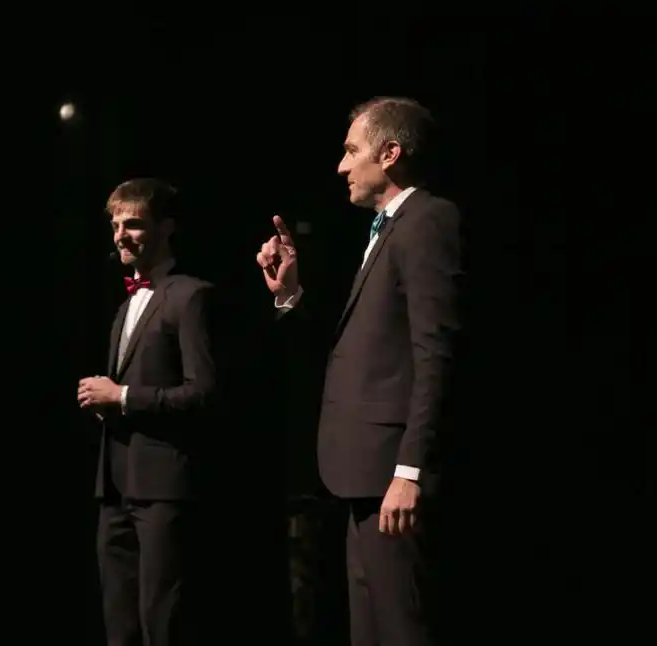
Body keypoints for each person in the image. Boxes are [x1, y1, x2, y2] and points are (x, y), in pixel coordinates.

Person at [256, 97, 464, 646]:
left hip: (392, 474)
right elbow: (356, 348)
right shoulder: (386, 229)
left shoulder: (428, 220)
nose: (341, 166)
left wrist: (411, 470)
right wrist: (291, 294)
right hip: (365, 475)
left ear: (390, 153)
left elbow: (436, 354)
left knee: (403, 628)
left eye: (352, 151)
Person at [78, 178, 217, 646]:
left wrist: (121, 397)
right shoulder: (124, 307)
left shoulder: (190, 296)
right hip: (115, 487)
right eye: (115, 225)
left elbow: (203, 394)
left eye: (134, 224)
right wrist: (106, 405)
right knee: (120, 628)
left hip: (163, 488)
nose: (121, 235)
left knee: (164, 623)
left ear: (167, 228)